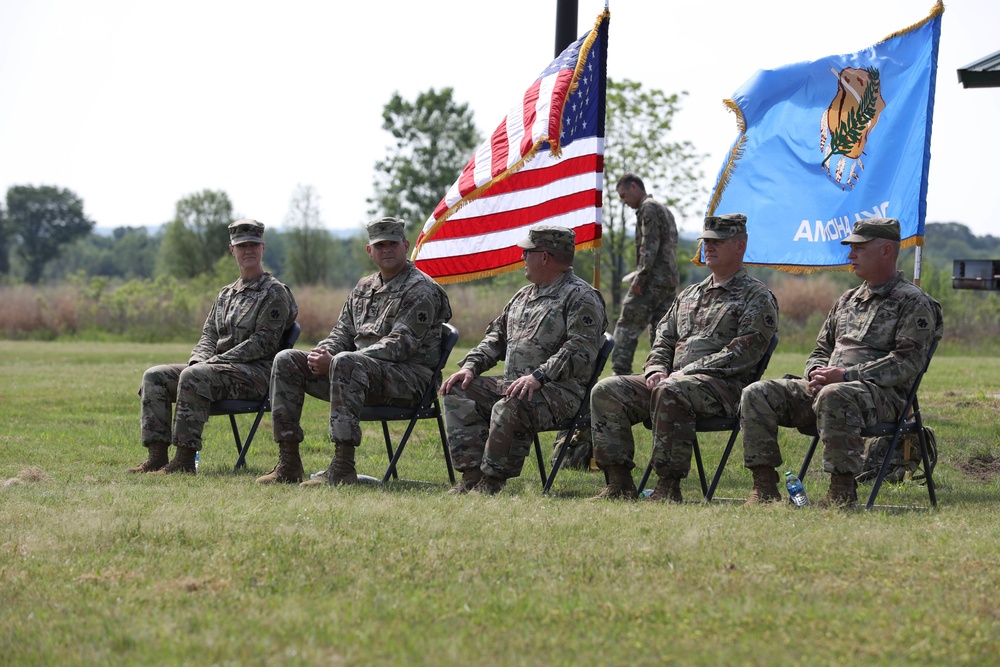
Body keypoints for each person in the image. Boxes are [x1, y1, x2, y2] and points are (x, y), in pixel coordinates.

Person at [739, 218, 942, 508]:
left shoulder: (913, 302)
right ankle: (764, 488)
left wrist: (845, 376)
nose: (850, 255)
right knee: (757, 393)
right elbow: (821, 349)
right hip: (830, 388)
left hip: (882, 398)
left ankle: (841, 493)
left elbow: (907, 363)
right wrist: (815, 372)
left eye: (859, 248)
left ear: (886, 251)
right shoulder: (847, 299)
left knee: (836, 395)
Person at [590, 213, 778, 501]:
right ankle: (619, 483)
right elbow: (663, 338)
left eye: (718, 242)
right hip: (673, 383)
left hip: (723, 389)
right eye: (706, 241)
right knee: (607, 390)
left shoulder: (756, 296)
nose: (708, 247)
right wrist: (654, 368)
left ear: (740, 246)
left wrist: (685, 372)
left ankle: (668, 486)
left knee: (671, 389)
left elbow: (743, 353)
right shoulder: (690, 295)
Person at [256, 216, 452, 486]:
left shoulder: (421, 289)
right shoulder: (363, 288)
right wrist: (322, 353)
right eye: (379, 245)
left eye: (392, 243)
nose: (386, 249)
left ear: (405, 245)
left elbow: (400, 344)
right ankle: (288, 462)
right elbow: (343, 332)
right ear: (369, 251)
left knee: (346, 362)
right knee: (287, 360)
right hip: (356, 375)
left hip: (409, 381)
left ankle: (342, 467)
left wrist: (336, 361)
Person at [441, 225, 608, 495]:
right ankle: (471, 475)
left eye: (526, 252)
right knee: (458, 390)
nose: (522, 258)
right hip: (516, 385)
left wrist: (539, 377)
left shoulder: (581, 297)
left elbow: (580, 349)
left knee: (515, 401)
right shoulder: (522, 296)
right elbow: (496, 338)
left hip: (559, 392)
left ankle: (491, 481)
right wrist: (471, 367)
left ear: (544, 256)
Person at [129, 219, 298, 475]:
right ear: (232, 250)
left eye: (254, 244)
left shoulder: (274, 293)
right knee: (155, 376)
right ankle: (157, 456)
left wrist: (213, 363)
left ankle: (184, 460)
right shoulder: (226, 294)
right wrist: (199, 360)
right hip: (216, 370)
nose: (248, 250)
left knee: (195, 375)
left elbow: (263, 343)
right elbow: (208, 335)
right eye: (242, 246)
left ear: (263, 247)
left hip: (258, 375)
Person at [611, 173, 679, 375]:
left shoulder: (647, 208)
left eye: (624, 196)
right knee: (662, 332)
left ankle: (620, 373)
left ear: (634, 187)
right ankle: (662, 371)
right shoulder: (664, 209)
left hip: (650, 281)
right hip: (668, 282)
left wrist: (639, 278)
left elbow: (649, 247)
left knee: (626, 325)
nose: (624, 202)